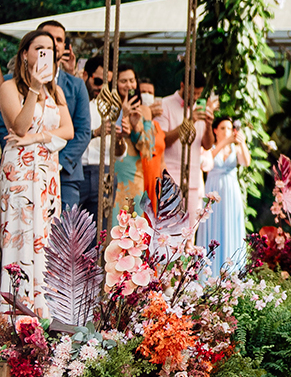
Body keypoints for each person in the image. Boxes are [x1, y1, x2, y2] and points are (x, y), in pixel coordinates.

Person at [0, 29, 73, 317]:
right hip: (19, 173)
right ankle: (15, 313)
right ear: (25, 53)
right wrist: (33, 88)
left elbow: (69, 130)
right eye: (39, 48)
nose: (45, 54)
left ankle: (44, 313)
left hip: (47, 174)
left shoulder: (56, 91)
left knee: (46, 239)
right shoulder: (9, 88)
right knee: (21, 239)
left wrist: (37, 138)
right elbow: (19, 127)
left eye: (50, 49)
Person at [35, 21, 91, 213]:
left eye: (59, 40)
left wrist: (58, 161)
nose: (54, 44)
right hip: (26, 170)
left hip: (65, 173)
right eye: (49, 38)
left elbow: (83, 132)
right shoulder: (14, 81)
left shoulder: (76, 85)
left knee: (64, 236)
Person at [106, 65, 161, 227]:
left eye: (131, 81)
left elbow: (149, 150)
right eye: (123, 81)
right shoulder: (108, 107)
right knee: (111, 221)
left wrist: (136, 128)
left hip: (133, 174)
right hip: (112, 168)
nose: (128, 85)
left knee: (133, 224)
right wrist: (122, 113)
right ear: (115, 84)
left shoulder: (144, 110)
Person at [158, 77, 216, 230]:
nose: (196, 97)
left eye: (198, 94)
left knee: (189, 232)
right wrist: (189, 121)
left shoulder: (199, 109)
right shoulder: (165, 104)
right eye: (193, 93)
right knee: (169, 229)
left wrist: (209, 125)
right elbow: (163, 140)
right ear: (182, 85)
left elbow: (207, 145)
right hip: (170, 177)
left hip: (193, 179)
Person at [198, 115, 247, 277]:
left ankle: (232, 273)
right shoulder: (209, 147)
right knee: (213, 225)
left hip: (232, 192)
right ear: (215, 130)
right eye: (223, 128)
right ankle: (209, 274)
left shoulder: (236, 147)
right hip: (214, 189)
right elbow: (206, 162)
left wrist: (243, 143)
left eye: (229, 128)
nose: (226, 131)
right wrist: (223, 143)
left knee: (232, 226)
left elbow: (246, 162)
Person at [79, 63, 109, 223]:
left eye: (107, 83)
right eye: (98, 81)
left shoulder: (110, 107)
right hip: (77, 170)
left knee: (99, 233)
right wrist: (95, 133)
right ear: (86, 76)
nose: (102, 87)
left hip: (103, 171)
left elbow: (120, 152)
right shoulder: (74, 100)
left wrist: (120, 138)